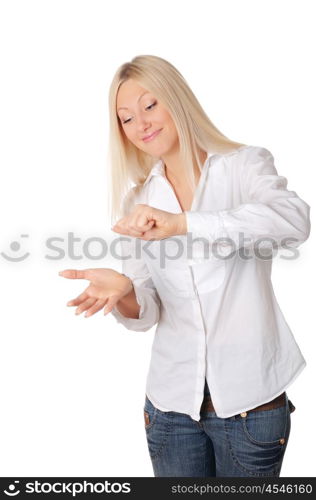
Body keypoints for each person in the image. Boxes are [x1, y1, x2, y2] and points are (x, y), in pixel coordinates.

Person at [58, 55, 311, 477]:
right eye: (126, 118)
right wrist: (124, 293)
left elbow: (292, 222)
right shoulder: (137, 201)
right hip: (170, 410)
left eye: (150, 105)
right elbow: (149, 310)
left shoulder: (244, 166)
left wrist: (184, 224)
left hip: (251, 405)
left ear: (177, 100)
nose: (141, 124)